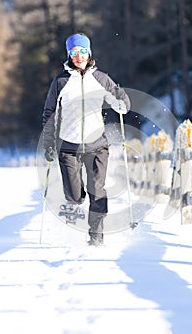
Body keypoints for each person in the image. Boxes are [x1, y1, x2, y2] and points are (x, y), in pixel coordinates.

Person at [42, 32, 130, 246]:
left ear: (89, 53)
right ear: (69, 54)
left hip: (97, 145)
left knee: (97, 191)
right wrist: (49, 143)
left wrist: (121, 101)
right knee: (73, 195)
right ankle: (75, 202)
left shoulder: (101, 79)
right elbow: (49, 113)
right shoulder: (60, 81)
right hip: (68, 146)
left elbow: (123, 103)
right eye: (74, 52)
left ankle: (96, 236)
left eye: (82, 51)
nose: (78, 56)